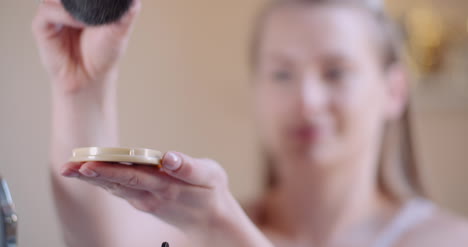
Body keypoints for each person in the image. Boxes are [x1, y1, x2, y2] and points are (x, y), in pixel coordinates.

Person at [32, 0, 468, 246]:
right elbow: (101, 237)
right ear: (256, 89)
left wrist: (225, 231)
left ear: (393, 91)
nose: (307, 101)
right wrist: (80, 89)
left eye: (336, 72)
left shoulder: (447, 241)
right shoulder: (194, 227)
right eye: (282, 73)